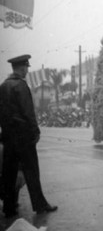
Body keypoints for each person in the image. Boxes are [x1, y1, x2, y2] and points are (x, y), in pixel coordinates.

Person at [0, 55, 57, 217]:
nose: (27, 70)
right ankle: (40, 205)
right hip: (23, 137)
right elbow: (28, 112)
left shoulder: (3, 86)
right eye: (26, 67)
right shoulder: (21, 86)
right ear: (22, 68)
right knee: (31, 171)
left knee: (9, 173)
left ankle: (9, 208)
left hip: (8, 137)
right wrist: (35, 131)